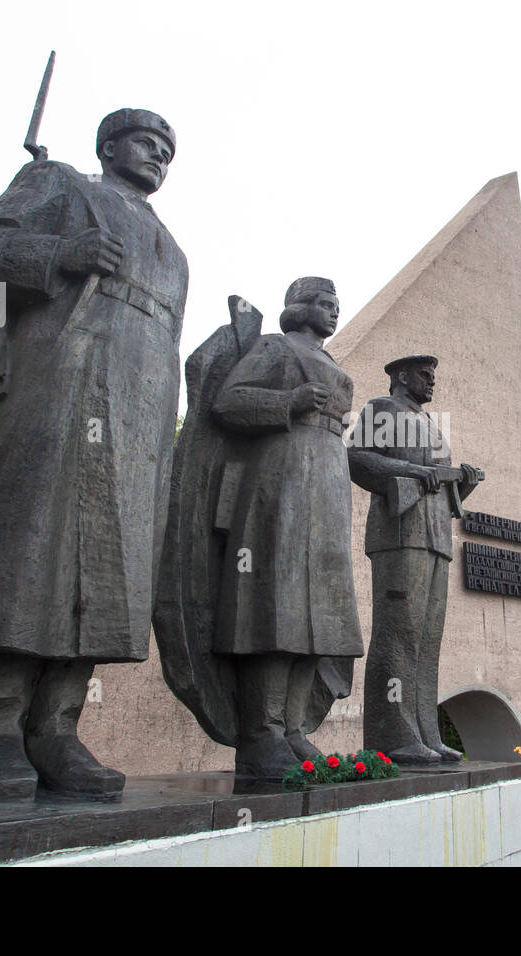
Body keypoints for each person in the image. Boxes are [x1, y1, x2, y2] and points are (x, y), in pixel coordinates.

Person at [0, 109, 187, 800]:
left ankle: (54, 729)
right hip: (57, 388)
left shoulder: (171, 244)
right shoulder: (58, 181)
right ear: (109, 145)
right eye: (148, 142)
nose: (160, 157)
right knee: (28, 553)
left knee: (103, 572)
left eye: (169, 151)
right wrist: (60, 254)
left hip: (138, 422)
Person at [159, 277, 364, 778]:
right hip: (280, 478)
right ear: (298, 308)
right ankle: (261, 732)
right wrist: (289, 402)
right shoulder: (275, 347)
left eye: (337, 306)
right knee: (278, 605)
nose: (333, 312)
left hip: (327, 482)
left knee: (321, 613)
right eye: (323, 304)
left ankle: (294, 729)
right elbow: (228, 402)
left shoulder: (333, 363)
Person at [348, 355, 482, 763]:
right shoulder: (382, 409)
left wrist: (465, 483)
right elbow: (355, 458)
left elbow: (439, 490)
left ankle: (425, 731)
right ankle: (393, 736)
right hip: (400, 535)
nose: (432, 382)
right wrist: (408, 470)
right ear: (402, 376)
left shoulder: (432, 425)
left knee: (427, 639)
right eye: (426, 375)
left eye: (434, 376)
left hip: (436, 537)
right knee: (399, 634)